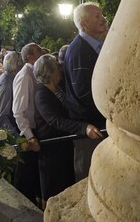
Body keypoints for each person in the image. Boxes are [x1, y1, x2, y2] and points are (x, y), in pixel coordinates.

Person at [33, 54, 103, 205]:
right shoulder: (41, 94)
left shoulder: (57, 88)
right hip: (52, 151)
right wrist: (83, 128)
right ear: (50, 72)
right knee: (54, 190)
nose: (60, 69)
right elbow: (55, 120)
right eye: (57, 67)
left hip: (63, 147)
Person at [64, 2, 108, 181]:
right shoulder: (80, 51)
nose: (103, 18)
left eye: (102, 14)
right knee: (89, 178)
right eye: (97, 16)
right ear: (84, 24)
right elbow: (83, 92)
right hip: (90, 128)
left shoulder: (91, 46)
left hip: (96, 123)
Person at [12, 42, 45, 204]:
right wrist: (30, 136)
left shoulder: (34, 73)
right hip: (28, 131)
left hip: (35, 129)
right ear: (31, 56)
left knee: (31, 175)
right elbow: (18, 111)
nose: (42, 53)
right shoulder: (24, 76)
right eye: (39, 51)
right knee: (24, 178)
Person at [0, 51, 23, 134]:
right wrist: (18, 139)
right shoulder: (6, 85)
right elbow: (2, 117)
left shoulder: (8, 79)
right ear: (17, 66)